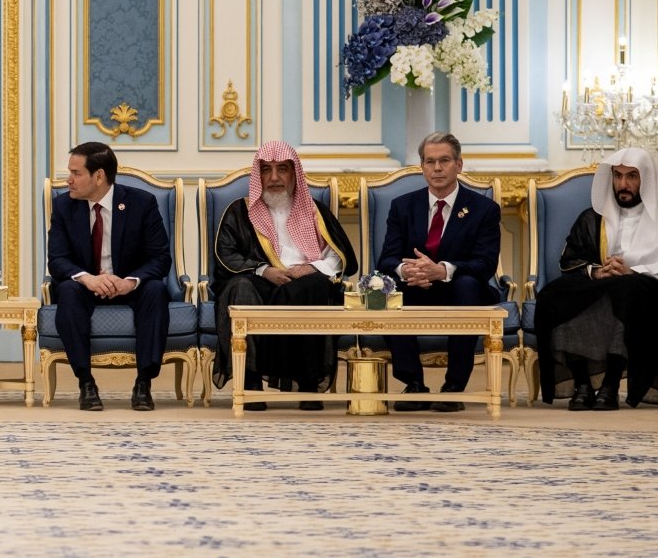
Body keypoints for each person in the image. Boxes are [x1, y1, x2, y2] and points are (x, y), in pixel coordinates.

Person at [212, 140, 356, 408]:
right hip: (260, 283)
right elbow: (226, 255)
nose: (274, 178)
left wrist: (312, 268)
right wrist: (264, 270)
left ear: (294, 173)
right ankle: (251, 382)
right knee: (240, 287)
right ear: (259, 175)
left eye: (282, 169)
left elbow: (339, 255)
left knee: (315, 287)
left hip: (305, 282)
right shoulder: (240, 211)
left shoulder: (314, 211)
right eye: (266, 170)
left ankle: (308, 383)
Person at [376, 131, 502, 412]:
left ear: (459, 164)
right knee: (389, 290)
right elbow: (386, 259)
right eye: (430, 161)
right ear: (421, 167)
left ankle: (454, 386)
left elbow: (485, 264)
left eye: (444, 160)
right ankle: (414, 385)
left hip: (460, 289)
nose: (437, 168)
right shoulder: (402, 206)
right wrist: (407, 270)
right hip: (415, 286)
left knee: (468, 285)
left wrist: (442, 270)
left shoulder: (484, 209)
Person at [46, 141, 172, 411]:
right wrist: (87, 278)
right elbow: (57, 260)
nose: (68, 180)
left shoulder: (141, 203)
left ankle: (143, 383)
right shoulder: (63, 207)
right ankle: (86, 383)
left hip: (128, 284)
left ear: (99, 176)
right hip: (86, 285)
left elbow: (160, 258)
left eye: (76, 173)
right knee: (67, 291)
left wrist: (129, 282)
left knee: (155, 291)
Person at [533, 147, 658, 410]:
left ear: (645, 179)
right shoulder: (592, 218)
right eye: (617, 176)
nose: (623, 185)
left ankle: (610, 384)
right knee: (553, 296)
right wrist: (597, 271)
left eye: (632, 177)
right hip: (601, 282)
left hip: (644, 286)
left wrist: (632, 271)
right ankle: (583, 385)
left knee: (627, 290)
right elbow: (569, 259)